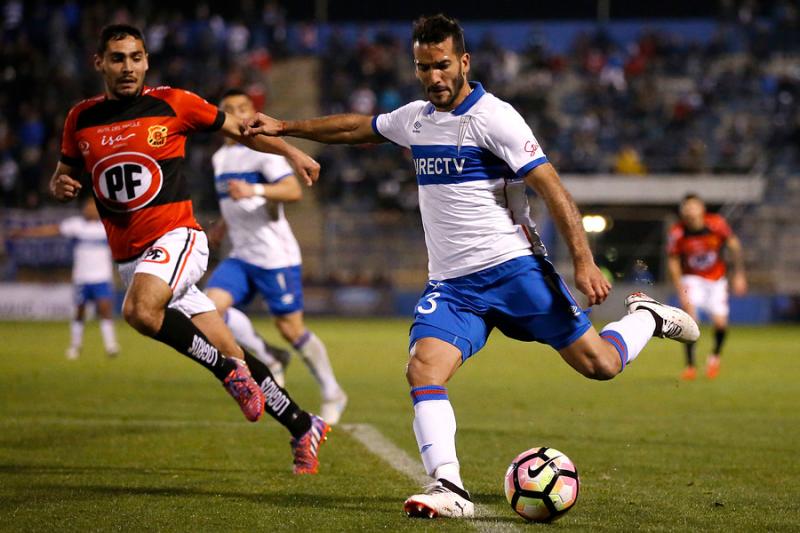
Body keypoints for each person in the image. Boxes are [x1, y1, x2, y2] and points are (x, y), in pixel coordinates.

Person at [242, 14, 700, 517]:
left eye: (441, 65)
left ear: (463, 62)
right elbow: (358, 127)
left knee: (601, 366)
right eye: (422, 68)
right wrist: (285, 126)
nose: (433, 77)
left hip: (515, 271)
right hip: (454, 287)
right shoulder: (416, 119)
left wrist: (584, 261)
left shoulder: (496, 118)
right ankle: (450, 488)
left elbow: (552, 188)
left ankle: (646, 318)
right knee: (423, 369)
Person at [50, 24, 329, 474]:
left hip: (177, 239)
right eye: (118, 58)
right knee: (233, 350)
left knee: (140, 312)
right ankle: (301, 424)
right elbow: (64, 173)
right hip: (133, 259)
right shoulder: (80, 119)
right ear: (98, 62)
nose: (128, 67)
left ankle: (225, 373)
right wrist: (60, 183)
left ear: (146, 60)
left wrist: (293, 155)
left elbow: (243, 130)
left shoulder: (173, 103)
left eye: (136, 57)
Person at [205, 88, 348, 425]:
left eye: (243, 108)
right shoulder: (220, 158)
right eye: (230, 109)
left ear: (253, 111)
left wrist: (253, 189)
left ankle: (332, 391)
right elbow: (233, 200)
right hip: (241, 254)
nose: (238, 114)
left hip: (274, 256)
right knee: (210, 310)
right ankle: (269, 356)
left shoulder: (262, 153)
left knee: (291, 328)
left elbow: (293, 190)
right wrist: (223, 226)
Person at [11, 197, 120, 359]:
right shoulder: (76, 225)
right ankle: (75, 346)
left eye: (93, 207)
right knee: (79, 312)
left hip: (101, 278)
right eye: (87, 207)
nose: (90, 210)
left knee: (105, 310)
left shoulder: (106, 227)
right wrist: (24, 233)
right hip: (82, 278)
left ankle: (111, 346)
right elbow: (52, 230)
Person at [667, 194, 747, 380]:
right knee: (690, 319)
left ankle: (715, 357)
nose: (690, 211)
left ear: (702, 208)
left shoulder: (716, 224)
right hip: (692, 278)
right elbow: (673, 260)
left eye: (693, 206)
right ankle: (690, 365)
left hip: (716, 279)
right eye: (686, 207)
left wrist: (739, 274)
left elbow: (734, 245)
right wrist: (680, 288)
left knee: (720, 323)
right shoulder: (677, 232)